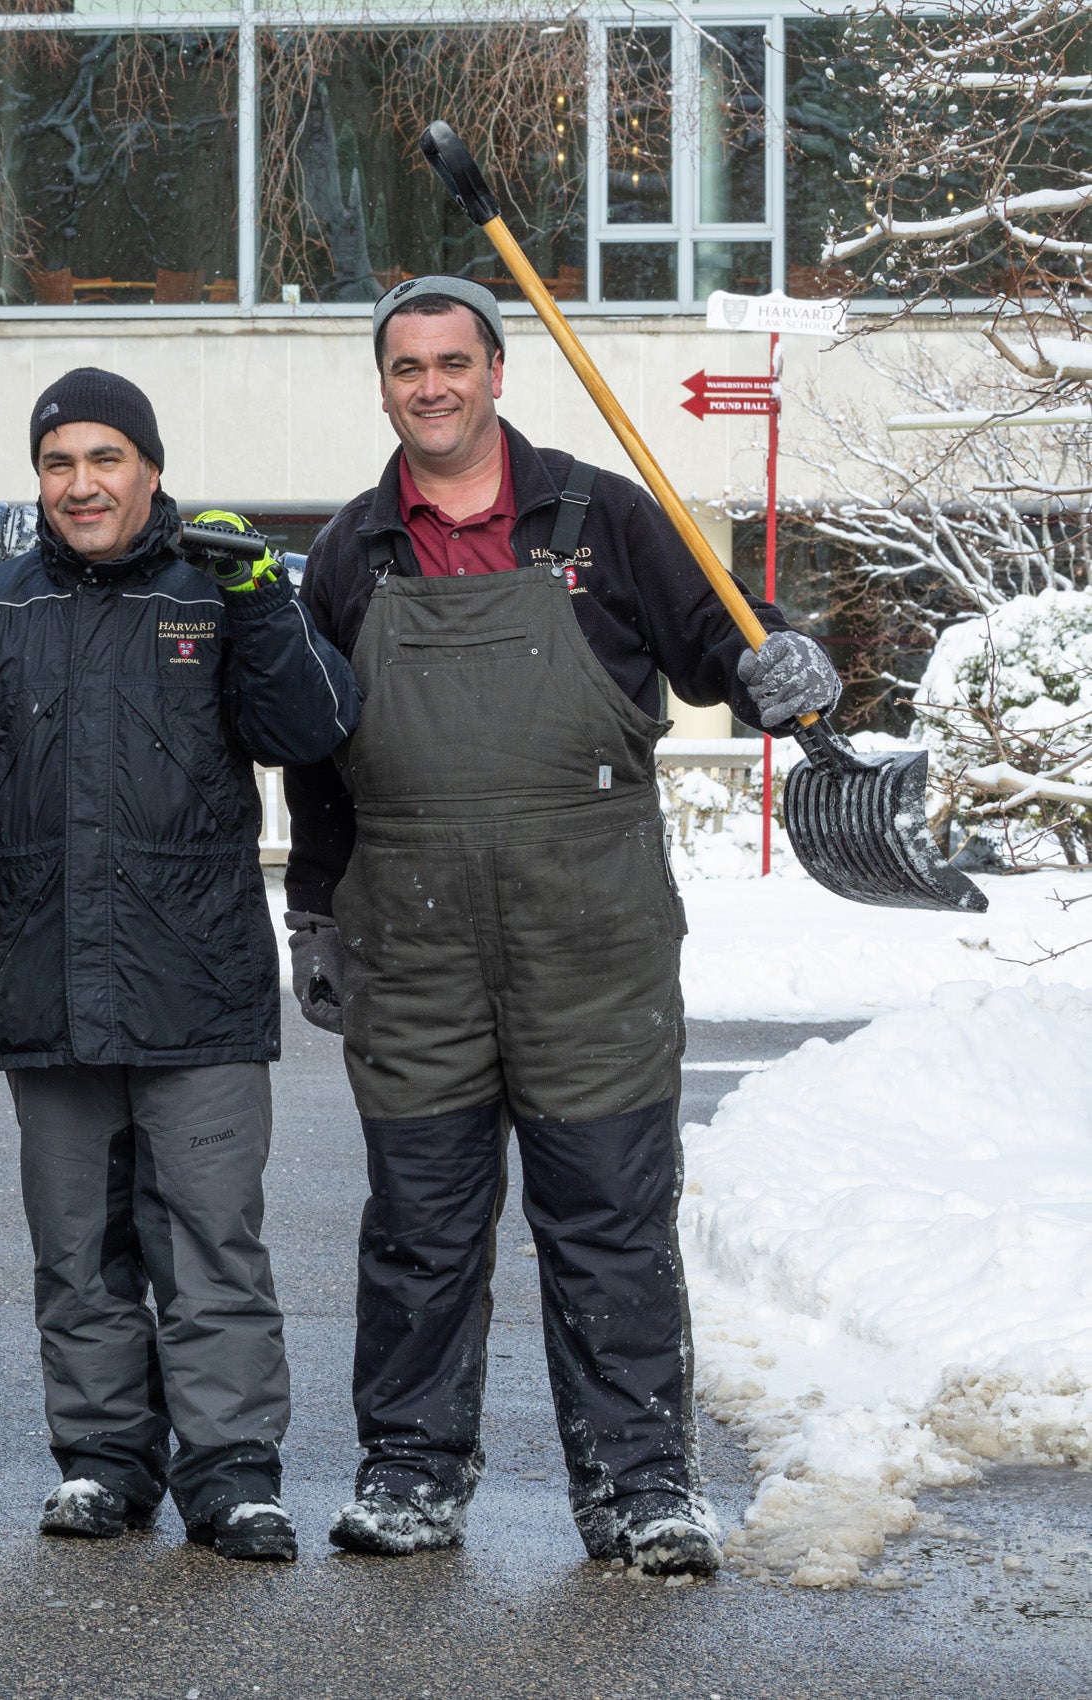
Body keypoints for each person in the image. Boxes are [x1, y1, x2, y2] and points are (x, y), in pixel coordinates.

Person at [283, 277, 842, 1577]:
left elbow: (722, 647)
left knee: (608, 1226)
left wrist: (780, 666)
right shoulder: (347, 555)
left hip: (589, 948)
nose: (431, 385)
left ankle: (639, 1486)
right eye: (406, 366)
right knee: (420, 1231)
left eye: (452, 361)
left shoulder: (602, 518)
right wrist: (312, 912)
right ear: (382, 387)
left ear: (495, 371)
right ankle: (410, 1471)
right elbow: (315, 761)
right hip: (411, 951)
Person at [0, 368, 361, 1563]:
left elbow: (312, 729)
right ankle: (104, 1461)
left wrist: (264, 598)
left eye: (105, 458)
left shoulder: (216, 593)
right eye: (59, 462)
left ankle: (233, 1470)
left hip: (197, 987)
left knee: (210, 1240)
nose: (81, 482)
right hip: (43, 983)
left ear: (150, 467)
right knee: (79, 1246)